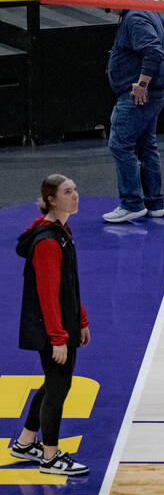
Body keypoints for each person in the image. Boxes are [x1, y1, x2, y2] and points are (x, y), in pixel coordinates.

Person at [10, 175, 91, 477]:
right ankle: (50, 457)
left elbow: (67, 285)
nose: (76, 195)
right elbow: (47, 294)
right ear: (52, 200)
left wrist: (80, 320)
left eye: (75, 189)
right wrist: (58, 337)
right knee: (59, 387)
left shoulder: (60, 232)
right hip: (51, 329)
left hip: (62, 325)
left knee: (52, 383)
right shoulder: (47, 242)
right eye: (68, 192)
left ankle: (25, 442)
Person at [102, 9, 164, 223]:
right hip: (155, 92)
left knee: (120, 145)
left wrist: (143, 82)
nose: (105, 10)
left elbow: (154, 51)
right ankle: (154, 204)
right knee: (146, 144)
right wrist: (160, 72)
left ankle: (131, 204)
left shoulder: (134, 18)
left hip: (138, 95)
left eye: (106, 6)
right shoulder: (148, 10)